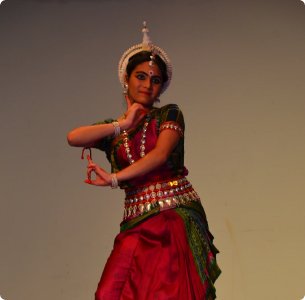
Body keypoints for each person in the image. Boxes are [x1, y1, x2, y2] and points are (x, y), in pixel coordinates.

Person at [67, 22, 221, 300]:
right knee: (109, 294)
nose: (148, 85)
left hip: (172, 217)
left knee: (169, 294)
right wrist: (122, 124)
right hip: (136, 221)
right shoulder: (115, 129)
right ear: (126, 78)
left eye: (155, 80)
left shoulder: (169, 115)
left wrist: (115, 178)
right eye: (140, 76)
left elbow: (160, 155)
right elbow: (74, 137)